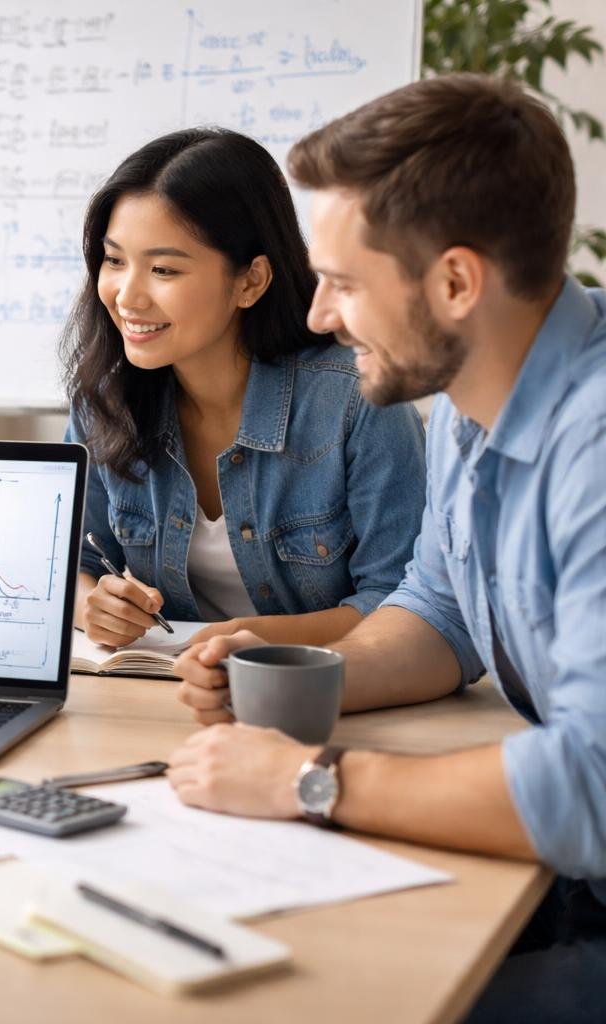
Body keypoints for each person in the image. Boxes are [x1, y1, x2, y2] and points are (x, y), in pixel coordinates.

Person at [167, 75, 606, 1022]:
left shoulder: (597, 446)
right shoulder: (474, 396)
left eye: (345, 283)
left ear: (455, 282)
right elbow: (443, 616)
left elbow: (595, 785)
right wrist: (288, 673)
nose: (318, 315)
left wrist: (307, 781)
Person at [62, 128, 426, 650]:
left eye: (163, 268)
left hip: (322, 698)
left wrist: (242, 640)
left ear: (251, 281)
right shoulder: (104, 399)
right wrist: (91, 604)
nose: (127, 296)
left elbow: (403, 600)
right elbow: (71, 566)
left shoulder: (356, 400)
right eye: (115, 260)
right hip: (159, 693)